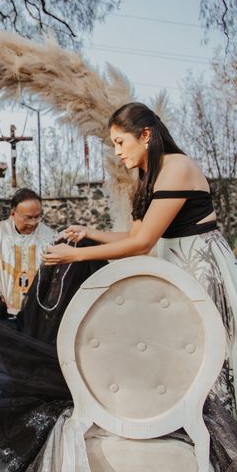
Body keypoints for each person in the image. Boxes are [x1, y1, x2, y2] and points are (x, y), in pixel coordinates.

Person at [43, 102, 237, 415]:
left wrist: (76, 256)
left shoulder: (177, 167)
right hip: (176, 267)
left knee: (212, 358)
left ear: (145, 134)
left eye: (120, 142)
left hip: (201, 268)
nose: (118, 152)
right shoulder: (147, 177)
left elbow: (143, 243)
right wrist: (87, 233)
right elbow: (135, 237)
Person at [0, 188, 56, 314]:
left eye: (37, 217)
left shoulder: (50, 237)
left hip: (38, 312)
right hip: (3, 311)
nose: (33, 223)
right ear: (13, 213)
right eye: (28, 218)